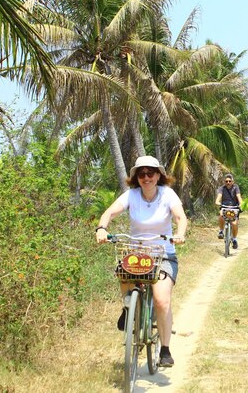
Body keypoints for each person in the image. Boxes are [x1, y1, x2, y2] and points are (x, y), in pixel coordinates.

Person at [96, 155, 187, 368]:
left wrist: (180, 233)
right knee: (123, 270)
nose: (146, 178)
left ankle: (164, 349)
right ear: (136, 177)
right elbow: (109, 212)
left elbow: (180, 217)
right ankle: (129, 308)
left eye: (150, 173)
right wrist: (101, 228)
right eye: (141, 174)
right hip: (137, 254)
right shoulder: (131, 195)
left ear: (158, 176)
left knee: (161, 300)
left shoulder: (167, 194)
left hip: (163, 254)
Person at [214, 173, 243, 249]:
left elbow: (239, 197)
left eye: (230, 181)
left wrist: (240, 203)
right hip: (224, 206)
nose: (228, 183)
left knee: (234, 223)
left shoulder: (236, 187)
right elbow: (218, 198)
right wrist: (217, 202)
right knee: (221, 216)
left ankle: (234, 239)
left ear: (232, 182)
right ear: (224, 182)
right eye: (226, 181)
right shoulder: (222, 188)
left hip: (234, 207)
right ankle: (221, 231)